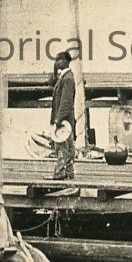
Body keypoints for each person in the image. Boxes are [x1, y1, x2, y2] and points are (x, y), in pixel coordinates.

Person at [49, 47, 86, 181]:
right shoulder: (64, 76)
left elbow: (65, 101)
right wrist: (54, 71)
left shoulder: (68, 78)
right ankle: (69, 172)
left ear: (65, 61)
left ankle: (59, 173)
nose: (56, 62)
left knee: (61, 146)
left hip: (63, 118)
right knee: (69, 146)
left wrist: (58, 119)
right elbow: (51, 82)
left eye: (58, 60)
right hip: (67, 119)